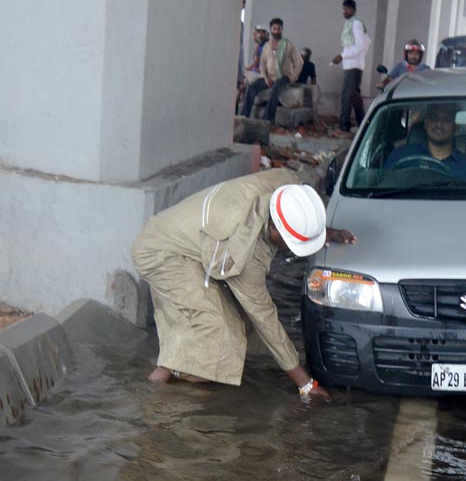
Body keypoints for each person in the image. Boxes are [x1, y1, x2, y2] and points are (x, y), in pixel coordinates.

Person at [131, 168, 357, 399]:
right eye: (291, 243)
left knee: (225, 326)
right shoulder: (242, 253)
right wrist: (305, 383)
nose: (290, 250)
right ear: (273, 228)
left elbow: (294, 217)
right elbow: (264, 319)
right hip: (162, 253)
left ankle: (175, 368)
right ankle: (158, 394)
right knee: (215, 328)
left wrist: (316, 233)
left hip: (190, 238)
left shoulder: (285, 185)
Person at [383, 104, 466, 181]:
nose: (439, 124)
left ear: (456, 127)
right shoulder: (401, 156)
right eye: (434, 118)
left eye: (446, 119)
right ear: (426, 123)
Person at [241, 18, 303, 123]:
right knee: (251, 88)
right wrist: (265, 78)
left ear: (282, 29)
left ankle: (267, 120)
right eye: (274, 29)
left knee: (275, 89)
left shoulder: (288, 45)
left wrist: (292, 77)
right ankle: (243, 117)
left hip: (284, 77)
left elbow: (299, 62)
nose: (277, 31)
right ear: (271, 30)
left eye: (279, 29)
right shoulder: (266, 46)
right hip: (269, 77)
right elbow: (262, 64)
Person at [332, 0, 371, 133]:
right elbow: (352, 46)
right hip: (351, 64)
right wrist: (343, 56)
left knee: (346, 96)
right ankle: (364, 124)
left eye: (347, 9)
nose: (345, 11)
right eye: (343, 9)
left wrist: (342, 56)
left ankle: (344, 126)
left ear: (354, 10)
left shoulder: (356, 24)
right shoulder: (349, 23)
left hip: (354, 65)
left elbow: (360, 46)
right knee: (354, 97)